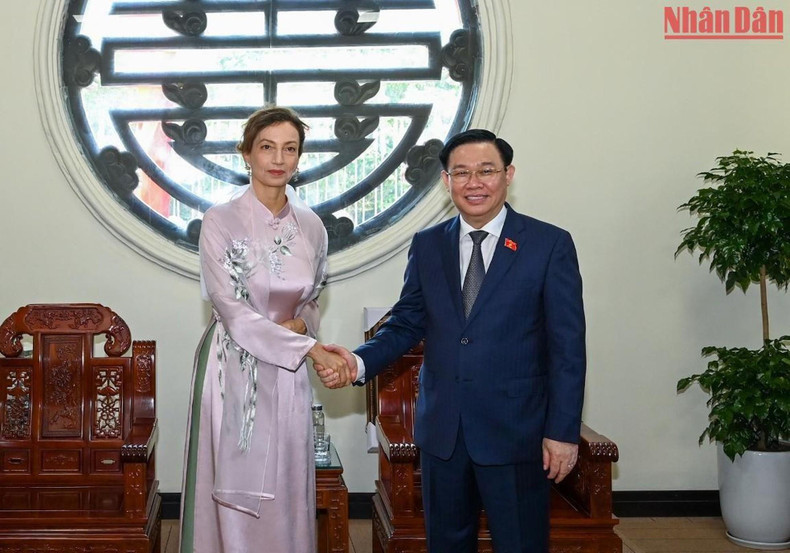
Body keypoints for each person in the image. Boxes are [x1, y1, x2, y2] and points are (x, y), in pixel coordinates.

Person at [318, 129, 586, 553]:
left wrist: (562, 432)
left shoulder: (548, 244)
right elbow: (406, 322)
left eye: (486, 171)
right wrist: (357, 361)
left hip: (516, 431)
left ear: (508, 175)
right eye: (461, 173)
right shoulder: (427, 245)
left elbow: (568, 348)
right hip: (444, 434)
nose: (473, 183)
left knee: (521, 543)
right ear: (446, 181)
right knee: (446, 543)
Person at [179, 106, 347, 553]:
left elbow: (311, 299)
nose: (279, 158)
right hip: (230, 367)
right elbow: (232, 313)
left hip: (287, 372)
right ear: (247, 153)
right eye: (267, 147)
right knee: (233, 484)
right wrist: (309, 347)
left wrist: (301, 325)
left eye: (289, 149)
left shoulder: (311, 226)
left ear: (299, 158)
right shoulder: (220, 219)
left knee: (286, 482)